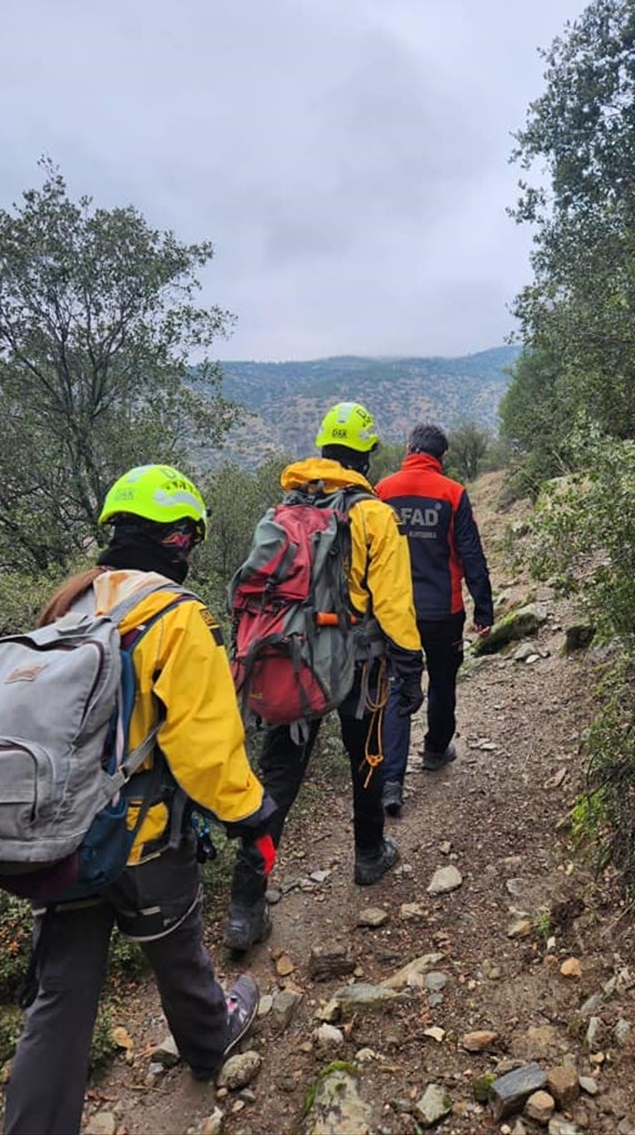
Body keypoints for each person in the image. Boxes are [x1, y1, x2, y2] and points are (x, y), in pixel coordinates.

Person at [3, 464, 276, 1135]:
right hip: (142, 836)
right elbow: (204, 746)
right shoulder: (178, 618)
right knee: (178, 948)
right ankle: (211, 1041)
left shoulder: (65, 605)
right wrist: (250, 811)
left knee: (61, 998)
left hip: (58, 836)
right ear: (179, 539)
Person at [223, 402, 424, 953]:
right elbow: (394, 603)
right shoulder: (372, 513)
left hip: (292, 661)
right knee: (367, 760)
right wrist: (411, 665)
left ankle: (245, 906)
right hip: (359, 666)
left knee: (278, 780)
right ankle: (368, 855)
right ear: (365, 452)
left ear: (321, 448)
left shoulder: (285, 508)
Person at [375, 424, 493, 814]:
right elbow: (471, 554)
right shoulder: (453, 493)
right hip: (443, 611)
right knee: (443, 681)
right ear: (441, 457)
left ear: (409, 448)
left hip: (394, 612)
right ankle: (435, 750)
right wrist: (484, 609)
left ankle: (391, 782)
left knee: (396, 689)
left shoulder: (383, 490)